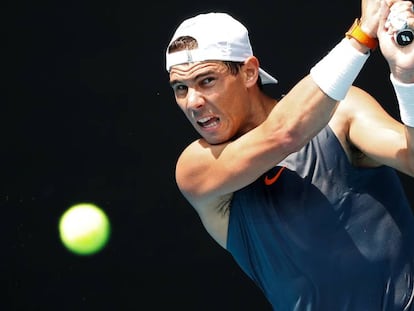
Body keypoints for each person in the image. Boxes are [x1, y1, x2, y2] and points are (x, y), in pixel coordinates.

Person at [165, 0, 414, 309]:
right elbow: (284, 134)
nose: (193, 102)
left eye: (206, 81)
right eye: (180, 88)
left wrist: (406, 80)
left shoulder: (341, 112)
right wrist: (362, 36)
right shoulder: (196, 167)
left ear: (249, 73)